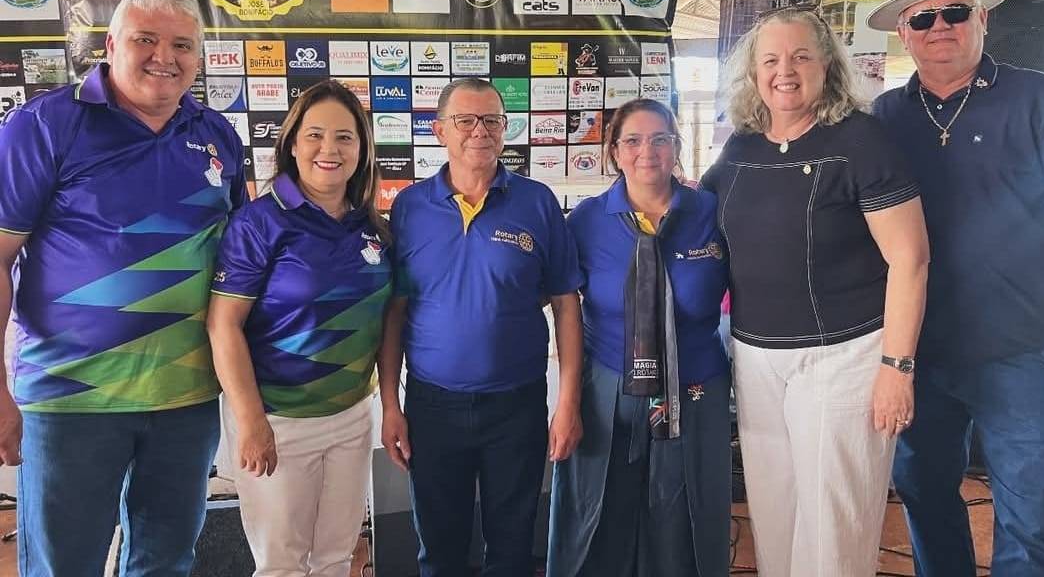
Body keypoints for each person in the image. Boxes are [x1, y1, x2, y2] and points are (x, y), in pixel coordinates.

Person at [0, 0, 246, 577]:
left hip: (185, 402)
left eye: (183, 45)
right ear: (109, 45)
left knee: (165, 563)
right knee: (64, 567)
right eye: (146, 39)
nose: (165, 57)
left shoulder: (216, 135)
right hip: (70, 400)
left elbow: (242, 269)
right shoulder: (44, 126)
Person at [868, 0, 1044, 577]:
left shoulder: (1042, 99)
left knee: (1036, 516)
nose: (941, 26)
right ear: (904, 32)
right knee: (924, 497)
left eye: (955, 12)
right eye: (923, 16)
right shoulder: (884, 119)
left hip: (1023, 349)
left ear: (981, 18)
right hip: (919, 355)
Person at [701, 7, 929, 577]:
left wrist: (896, 367)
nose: (786, 70)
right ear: (753, 74)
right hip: (756, 359)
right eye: (771, 59)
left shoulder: (860, 139)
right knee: (775, 519)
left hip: (844, 357)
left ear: (827, 64)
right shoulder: (740, 148)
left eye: (801, 56)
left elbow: (911, 257)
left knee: (832, 532)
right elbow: (691, 215)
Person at [378, 77, 584, 577]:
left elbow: (566, 305)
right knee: (440, 550)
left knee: (512, 549)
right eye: (465, 120)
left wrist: (568, 405)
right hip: (432, 405)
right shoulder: (409, 207)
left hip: (516, 405)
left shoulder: (536, 202)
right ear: (438, 130)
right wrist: (390, 405)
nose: (480, 131)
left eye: (492, 120)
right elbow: (395, 311)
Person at [207, 79, 391, 577]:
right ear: (291, 142)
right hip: (278, 422)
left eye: (345, 137)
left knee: (336, 555)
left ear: (361, 149)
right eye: (314, 135)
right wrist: (251, 422)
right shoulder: (259, 223)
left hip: (353, 416)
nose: (329, 149)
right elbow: (223, 325)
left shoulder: (370, 225)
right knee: (282, 564)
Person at [547, 99, 731, 577]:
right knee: (598, 514)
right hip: (606, 389)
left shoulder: (711, 211)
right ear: (614, 151)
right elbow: (565, 308)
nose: (646, 151)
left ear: (676, 148)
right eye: (632, 140)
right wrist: (565, 404)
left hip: (695, 387)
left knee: (683, 518)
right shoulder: (586, 221)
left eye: (660, 139)